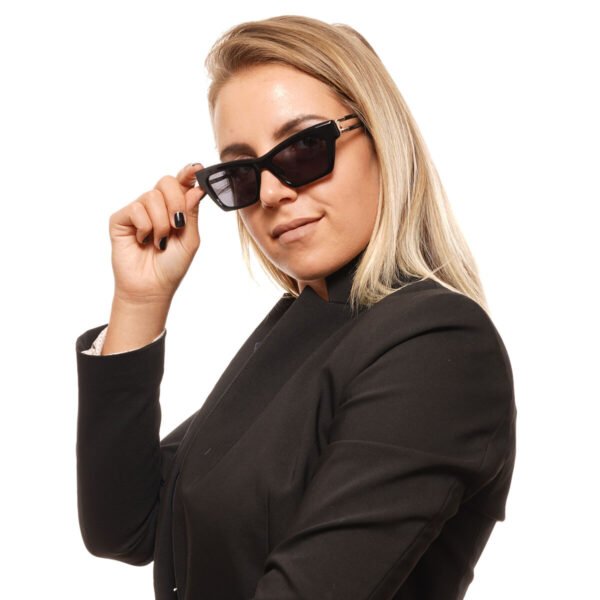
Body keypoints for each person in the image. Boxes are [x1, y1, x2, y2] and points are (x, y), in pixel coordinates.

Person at [75, 14, 517, 600]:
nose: (273, 193)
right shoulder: (299, 325)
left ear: (383, 140)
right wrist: (140, 300)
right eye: (242, 174)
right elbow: (127, 525)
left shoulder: (436, 344)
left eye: (305, 147)